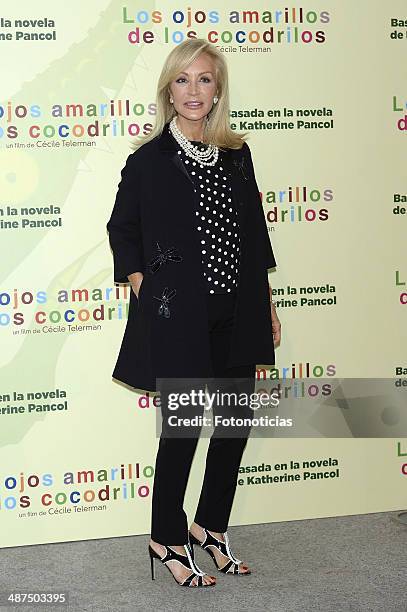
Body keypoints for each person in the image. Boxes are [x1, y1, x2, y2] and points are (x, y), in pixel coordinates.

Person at [106, 38, 281, 588]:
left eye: (204, 79)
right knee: (181, 432)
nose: (193, 91)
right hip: (179, 318)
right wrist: (142, 284)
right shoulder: (149, 159)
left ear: (217, 88)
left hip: (239, 310)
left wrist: (266, 303)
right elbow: (123, 229)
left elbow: (254, 235)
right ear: (168, 89)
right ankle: (166, 536)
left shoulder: (237, 153)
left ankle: (211, 527)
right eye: (182, 80)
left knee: (233, 429)